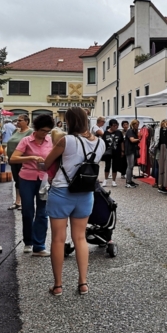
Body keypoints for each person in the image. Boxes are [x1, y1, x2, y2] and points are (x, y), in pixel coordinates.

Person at [44, 107, 106, 296]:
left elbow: (46, 163)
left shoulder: (66, 140)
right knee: (80, 238)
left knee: (58, 239)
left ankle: (58, 286)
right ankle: (83, 283)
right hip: (86, 193)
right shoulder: (100, 143)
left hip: (62, 191)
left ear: (70, 121)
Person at [10, 114, 54, 256]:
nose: (44, 134)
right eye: (42, 130)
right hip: (27, 178)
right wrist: (31, 157)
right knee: (28, 211)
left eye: (47, 131)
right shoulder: (26, 140)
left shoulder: (51, 141)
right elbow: (13, 159)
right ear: (36, 128)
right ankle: (28, 242)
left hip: (44, 179)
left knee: (42, 212)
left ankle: (39, 245)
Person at [6, 115, 33, 210]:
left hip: (22, 160)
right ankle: (17, 202)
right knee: (17, 181)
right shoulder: (15, 131)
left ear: (26, 121)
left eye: (20, 120)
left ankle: (25, 202)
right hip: (13, 159)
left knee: (24, 182)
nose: (17, 122)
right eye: (17, 120)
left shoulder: (30, 132)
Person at [102, 119, 123, 187]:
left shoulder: (119, 133)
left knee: (115, 166)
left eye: (116, 125)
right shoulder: (105, 133)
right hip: (108, 152)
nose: (115, 127)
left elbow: (122, 142)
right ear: (110, 126)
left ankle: (114, 181)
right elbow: (102, 143)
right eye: (114, 126)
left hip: (117, 151)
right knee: (107, 165)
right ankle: (105, 180)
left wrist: (123, 151)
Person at [157, 119, 167, 194]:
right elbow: (165, 140)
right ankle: (162, 185)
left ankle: (161, 184)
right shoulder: (165, 130)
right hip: (164, 148)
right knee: (164, 166)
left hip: (163, 147)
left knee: (163, 166)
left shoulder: (161, 130)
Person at [125, 119, 140, 188]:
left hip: (133, 150)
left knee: (131, 166)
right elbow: (132, 140)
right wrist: (139, 139)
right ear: (133, 124)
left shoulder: (134, 131)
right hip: (129, 150)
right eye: (136, 124)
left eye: (138, 124)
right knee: (130, 166)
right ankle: (128, 182)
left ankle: (130, 180)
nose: (137, 126)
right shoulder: (130, 131)